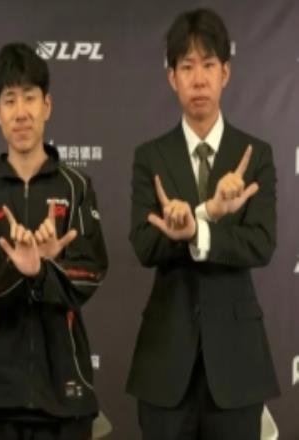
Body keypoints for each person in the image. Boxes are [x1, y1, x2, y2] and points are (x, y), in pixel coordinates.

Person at [127, 8, 279, 439]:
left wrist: (199, 231)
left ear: (225, 73)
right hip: (164, 365)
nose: (198, 79)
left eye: (208, 65)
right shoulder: (150, 157)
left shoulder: (255, 155)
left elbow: (261, 243)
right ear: (171, 77)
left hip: (237, 365)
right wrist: (203, 215)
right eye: (187, 66)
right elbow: (144, 244)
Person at [0, 42, 108, 440]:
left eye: (29, 97)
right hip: (0, 392)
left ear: (47, 105)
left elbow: (91, 271)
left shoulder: (77, 186)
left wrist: (43, 271)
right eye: (10, 100)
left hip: (66, 389)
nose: (21, 112)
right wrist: (20, 269)